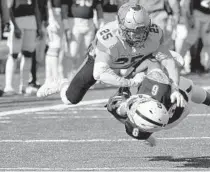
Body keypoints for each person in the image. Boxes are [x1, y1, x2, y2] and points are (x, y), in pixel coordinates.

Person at [37, 3, 184, 107]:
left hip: (135, 60)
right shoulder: (110, 40)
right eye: (135, 32)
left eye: (143, 30)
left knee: (160, 69)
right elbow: (100, 73)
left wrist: (175, 88)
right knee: (70, 99)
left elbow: (168, 61)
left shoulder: (154, 34)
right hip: (108, 62)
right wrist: (130, 83)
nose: (140, 36)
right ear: (121, 28)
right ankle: (61, 84)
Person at [106, 57, 210, 146]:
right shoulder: (159, 88)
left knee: (118, 109)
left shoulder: (158, 92)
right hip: (167, 114)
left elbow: (114, 108)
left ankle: (145, 135)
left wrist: (130, 76)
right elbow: (153, 62)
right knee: (187, 86)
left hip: (170, 113)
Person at [4, 0, 43, 95]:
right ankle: (8, 86)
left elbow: (36, 8)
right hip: (17, 21)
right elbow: (8, 8)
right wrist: (15, 26)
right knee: (13, 54)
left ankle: (24, 86)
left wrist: (39, 26)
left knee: (28, 54)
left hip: (31, 22)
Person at [61, 0, 105, 79]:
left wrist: (101, 25)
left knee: (85, 54)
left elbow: (99, 8)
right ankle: (66, 78)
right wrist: (66, 26)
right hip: (74, 23)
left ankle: (79, 78)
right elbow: (64, 8)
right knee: (71, 53)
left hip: (89, 23)